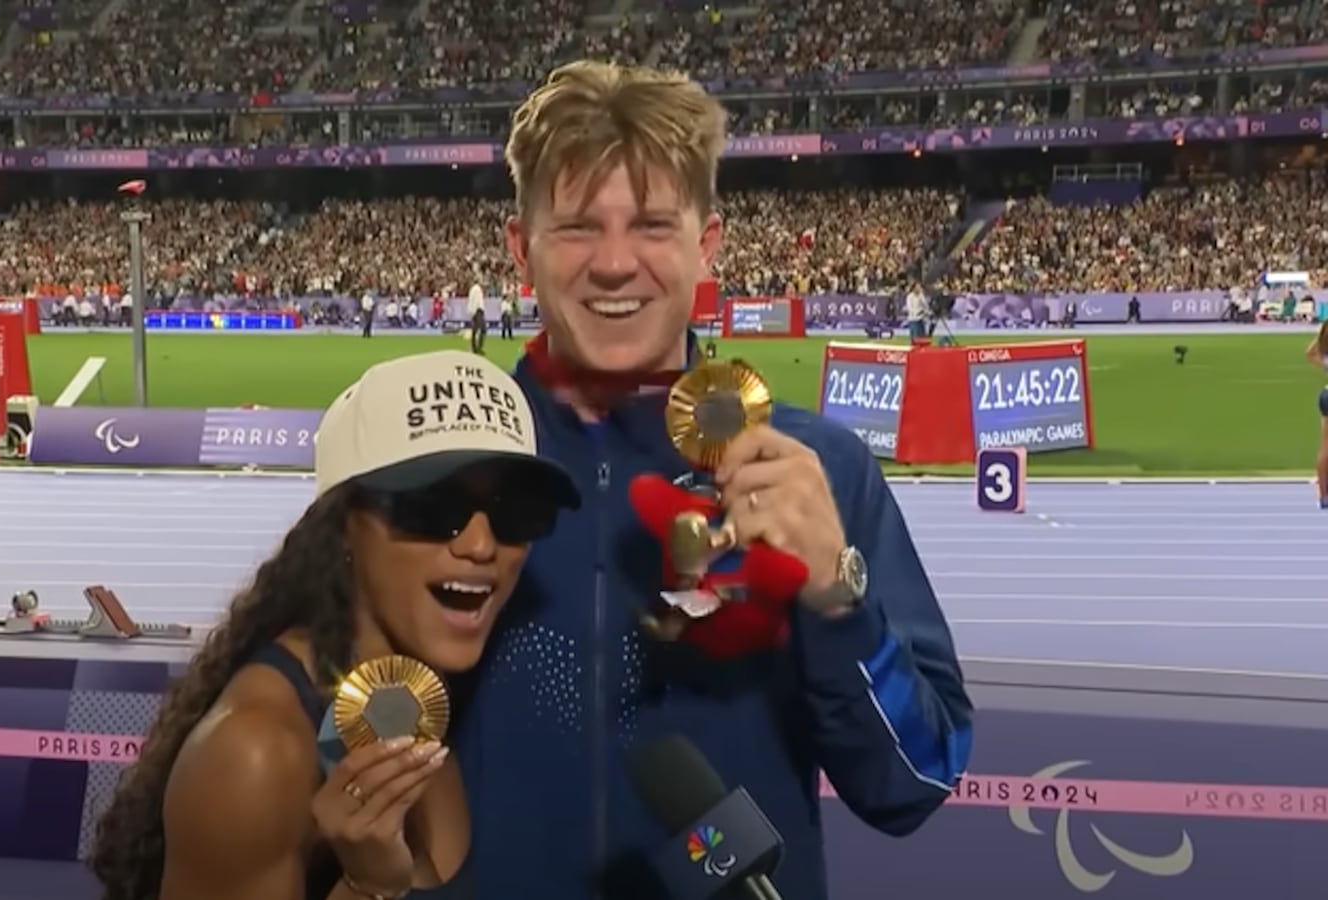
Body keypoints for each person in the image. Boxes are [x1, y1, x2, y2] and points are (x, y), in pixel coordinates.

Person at [453, 61, 974, 899]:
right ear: (522, 248)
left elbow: (914, 779)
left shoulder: (814, 470)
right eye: (578, 226)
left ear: (707, 246)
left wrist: (838, 601)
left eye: (654, 225)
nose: (616, 264)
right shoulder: (447, 469)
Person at [89, 349, 581, 900]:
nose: (480, 544)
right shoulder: (258, 755)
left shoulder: (455, 685)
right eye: (433, 509)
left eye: (516, 512)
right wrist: (367, 885)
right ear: (343, 524)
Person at [1308, 320, 1328, 507]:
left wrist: (1320, 337)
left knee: (1325, 448)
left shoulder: (1325, 352)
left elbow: (1309, 354)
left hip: (1326, 395)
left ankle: (1324, 496)